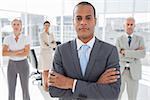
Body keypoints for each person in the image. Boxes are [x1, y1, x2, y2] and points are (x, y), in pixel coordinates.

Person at [48, 1, 121, 100]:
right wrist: (97, 86)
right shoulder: (61, 51)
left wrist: (70, 83)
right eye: (78, 18)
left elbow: (112, 94)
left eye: (88, 18)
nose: (83, 22)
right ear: (73, 22)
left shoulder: (110, 51)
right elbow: (54, 90)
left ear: (95, 21)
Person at [116, 17, 146, 100]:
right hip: (121, 72)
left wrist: (125, 52)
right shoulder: (119, 39)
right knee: (117, 96)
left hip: (134, 72)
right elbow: (118, 55)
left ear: (134, 26)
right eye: (127, 24)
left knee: (132, 97)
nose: (129, 26)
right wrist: (134, 54)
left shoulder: (140, 39)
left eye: (131, 24)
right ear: (124, 26)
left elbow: (142, 54)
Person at [2, 19, 30, 100]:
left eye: (18, 24)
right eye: (14, 24)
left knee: (25, 88)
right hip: (11, 65)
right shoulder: (7, 38)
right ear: (12, 26)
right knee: (11, 88)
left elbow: (26, 53)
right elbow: (4, 53)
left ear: (21, 26)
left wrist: (11, 52)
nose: (16, 26)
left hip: (23, 64)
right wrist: (19, 51)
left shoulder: (26, 38)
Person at [39, 21, 56, 91]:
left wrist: (48, 44)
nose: (47, 27)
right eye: (45, 25)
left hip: (49, 54)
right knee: (45, 71)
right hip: (44, 54)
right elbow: (43, 45)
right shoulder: (41, 34)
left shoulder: (51, 34)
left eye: (48, 25)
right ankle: (45, 85)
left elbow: (54, 45)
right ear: (43, 26)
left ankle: (48, 84)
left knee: (49, 70)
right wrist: (50, 44)